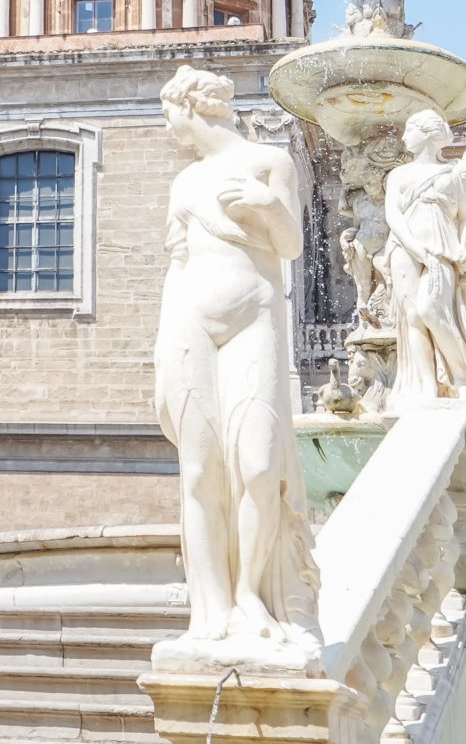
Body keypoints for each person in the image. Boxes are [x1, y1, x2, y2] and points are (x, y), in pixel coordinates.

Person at [151, 65, 320, 668]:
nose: (167, 126)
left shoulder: (270, 161)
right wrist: (161, 347)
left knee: (256, 463)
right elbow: (177, 263)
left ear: (190, 106)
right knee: (199, 470)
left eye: (168, 112)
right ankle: (213, 607)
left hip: (255, 317)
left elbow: (293, 246)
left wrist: (268, 204)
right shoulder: (186, 181)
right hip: (190, 321)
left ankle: (253, 592)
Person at [380, 110, 466, 404]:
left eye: (409, 130)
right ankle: (425, 386)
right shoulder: (398, 174)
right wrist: (414, 247)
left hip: (441, 246)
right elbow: (392, 214)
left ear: (427, 134)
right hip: (404, 246)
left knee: (433, 310)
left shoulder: (454, 173)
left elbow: (465, 215)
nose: (404, 137)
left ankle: (462, 378)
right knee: (413, 316)